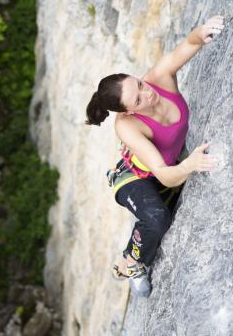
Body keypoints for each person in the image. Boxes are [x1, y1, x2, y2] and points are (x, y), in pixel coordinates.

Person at [85, 15, 224, 297]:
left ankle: (131, 252)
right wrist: (190, 165)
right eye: (138, 99)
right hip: (134, 179)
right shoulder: (127, 126)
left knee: (162, 214)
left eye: (140, 85)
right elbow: (163, 173)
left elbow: (188, 44)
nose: (148, 94)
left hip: (163, 172)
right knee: (158, 219)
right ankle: (133, 262)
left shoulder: (157, 79)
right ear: (129, 111)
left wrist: (202, 31)